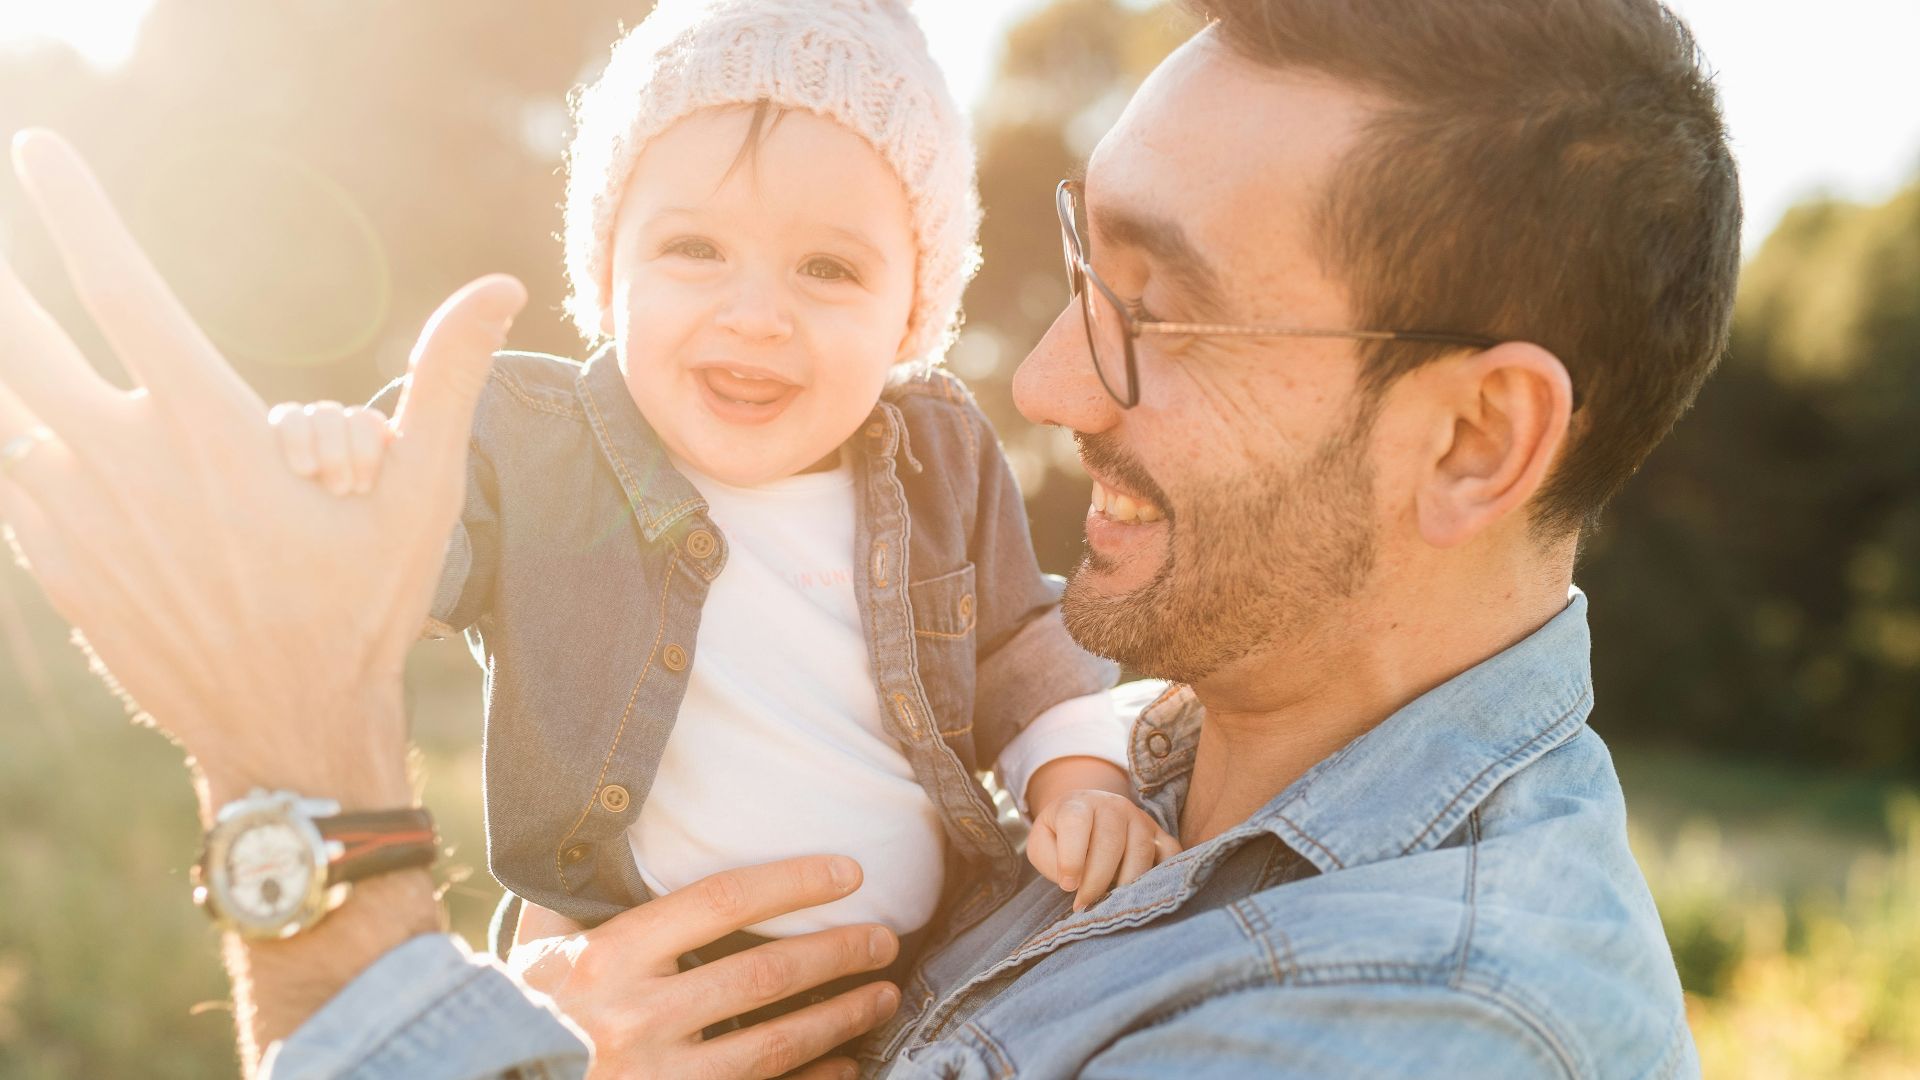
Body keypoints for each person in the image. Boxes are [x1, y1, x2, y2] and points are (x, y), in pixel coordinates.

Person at [0, 0, 1740, 1076]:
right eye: (1081, 274)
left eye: (1163, 312)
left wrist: (297, 788)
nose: (1049, 383)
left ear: (1474, 438)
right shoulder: (1171, 749)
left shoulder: (1427, 1025)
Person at [259, 0, 1170, 1028]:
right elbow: (390, 565)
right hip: (629, 989)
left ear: (912, 310)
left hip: (914, 988)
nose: (755, 316)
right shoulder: (531, 445)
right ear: (609, 274)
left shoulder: (938, 456)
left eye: (828, 268)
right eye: (695, 249)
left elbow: (1018, 644)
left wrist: (1082, 785)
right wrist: (336, 482)